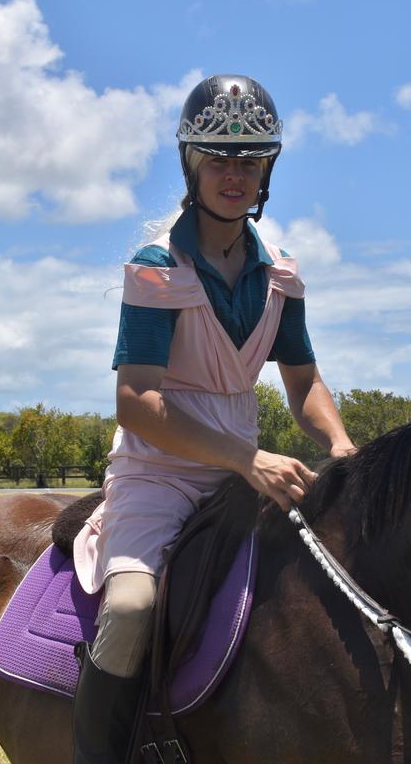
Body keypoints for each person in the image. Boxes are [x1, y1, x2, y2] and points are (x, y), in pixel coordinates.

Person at [71, 74, 355, 763]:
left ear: (268, 170)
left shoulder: (280, 276)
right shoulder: (155, 266)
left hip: (241, 477)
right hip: (157, 476)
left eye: (251, 160)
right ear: (190, 164)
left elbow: (304, 380)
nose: (236, 174)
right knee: (134, 608)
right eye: (219, 159)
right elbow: (136, 399)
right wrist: (243, 456)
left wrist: (342, 444)